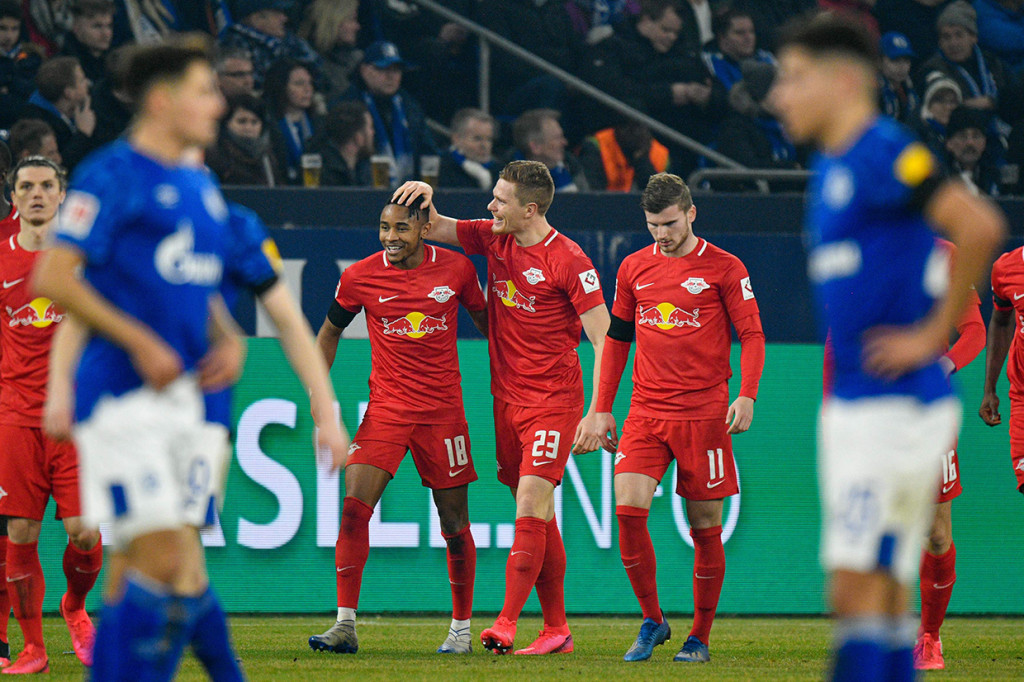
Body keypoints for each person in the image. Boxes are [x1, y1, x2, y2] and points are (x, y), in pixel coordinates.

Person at [30, 35, 350, 680]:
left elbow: (200, 289)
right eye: (205, 90)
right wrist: (130, 348)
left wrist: (229, 334)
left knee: (158, 569)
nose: (218, 102)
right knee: (167, 560)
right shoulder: (111, 175)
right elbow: (57, 277)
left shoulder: (203, 191)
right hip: (123, 400)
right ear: (162, 99)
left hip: (185, 402)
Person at [770, 13, 1004, 681]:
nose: (779, 95)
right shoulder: (838, 165)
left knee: (855, 588)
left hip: (894, 406)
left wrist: (932, 336)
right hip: (862, 405)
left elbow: (978, 224)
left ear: (845, 81)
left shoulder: (882, 152)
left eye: (794, 79)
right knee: (880, 592)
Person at [393, 161, 610, 655]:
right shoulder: (495, 238)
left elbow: (605, 339)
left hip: (554, 401)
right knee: (538, 514)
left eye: (500, 199)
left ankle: (507, 622)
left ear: (529, 209)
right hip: (505, 401)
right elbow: (440, 225)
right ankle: (556, 630)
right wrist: (426, 194)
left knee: (531, 503)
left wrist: (598, 411)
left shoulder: (569, 260)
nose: (491, 206)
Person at [585, 173, 764, 663]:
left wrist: (746, 395)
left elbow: (751, 334)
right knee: (627, 509)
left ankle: (699, 637)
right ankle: (653, 619)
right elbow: (618, 340)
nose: (660, 235)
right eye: (651, 225)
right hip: (646, 410)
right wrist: (602, 407)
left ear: (690, 214)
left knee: (704, 526)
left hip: (704, 412)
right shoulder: (633, 268)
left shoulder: (725, 268)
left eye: (668, 223)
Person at [307, 200, 488, 656]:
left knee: (454, 522)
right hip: (386, 411)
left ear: (425, 228)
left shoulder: (457, 270)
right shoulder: (359, 277)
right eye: (385, 228)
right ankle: (345, 625)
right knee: (352, 509)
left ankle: (461, 631)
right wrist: (317, 395)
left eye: (402, 229)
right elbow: (328, 334)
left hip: (443, 414)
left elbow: (493, 327)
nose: (391, 237)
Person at [0, 156, 103, 674]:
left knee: (84, 531)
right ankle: (33, 649)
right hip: (16, 418)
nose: (36, 193)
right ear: (12, 197)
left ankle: (75, 605)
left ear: (62, 196)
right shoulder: (0, 262)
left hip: (75, 418)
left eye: (46, 186)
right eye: (26, 186)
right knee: (19, 534)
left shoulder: (83, 262)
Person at [336, 41, 438, 187]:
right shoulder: (347, 107)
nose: (391, 76)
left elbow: (427, 150)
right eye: (383, 69)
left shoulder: (409, 106)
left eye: (396, 70)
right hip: (362, 194)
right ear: (364, 70)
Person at [218, 0, 325, 91]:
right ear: (257, 18)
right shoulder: (235, 45)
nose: (284, 18)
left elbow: (320, 73)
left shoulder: (293, 42)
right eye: (277, 13)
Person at [19, 56, 96, 170]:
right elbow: (59, 167)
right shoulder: (39, 125)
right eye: (81, 80)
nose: (87, 83)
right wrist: (83, 135)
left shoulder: (80, 110)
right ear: (68, 93)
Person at [263, 59, 322, 185]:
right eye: (299, 83)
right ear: (281, 86)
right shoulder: (267, 124)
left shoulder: (319, 123)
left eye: (310, 83)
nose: (308, 89)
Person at [206, 93, 283, 186]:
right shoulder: (216, 155)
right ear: (227, 123)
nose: (248, 127)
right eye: (242, 121)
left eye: (254, 122)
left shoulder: (268, 156)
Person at [579, 120, 669, 192]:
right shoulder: (597, 145)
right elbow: (592, 191)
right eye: (629, 127)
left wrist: (642, 160)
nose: (636, 133)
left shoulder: (660, 154)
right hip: (604, 208)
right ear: (617, 128)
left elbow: (662, 198)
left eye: (639, 127)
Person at [702, 7, 776, 95]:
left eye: (751, 31)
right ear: (722, 38)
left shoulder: (766, 58)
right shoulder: (712, 62)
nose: (748, 38)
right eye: (740, 33)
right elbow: (729, 96)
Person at [511, 109, 589, 192]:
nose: (564, 142)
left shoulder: (572, 167)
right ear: (535, 147)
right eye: (557, 138)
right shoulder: (507, 180)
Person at [299, 0, 361, 101]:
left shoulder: (359, 59)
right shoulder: (308, 62)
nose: (357, 26)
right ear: (332, 21)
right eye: (351, 20)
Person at [310, 100, 373, 187]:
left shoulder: (365, 170)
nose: (373, 133)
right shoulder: (326, 176)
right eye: (370, 127)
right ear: (358, 137)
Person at [439, 108, 498, 190]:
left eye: (489, 139)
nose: (484, 145)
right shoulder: (440, 168)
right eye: (477, 138)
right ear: (456, 139)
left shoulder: (499, 172)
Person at [60, 0, 114, 84]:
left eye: (109, 26)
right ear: (76, 27)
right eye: (97, 26)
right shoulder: (63, 70)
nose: (106, 33)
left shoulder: (116, 64)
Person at [879, 32, 920, 123]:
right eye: (895, 60)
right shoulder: (873, 92)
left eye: (906, 60)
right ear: (879, 61)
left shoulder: (910, 88)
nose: (902, 66)